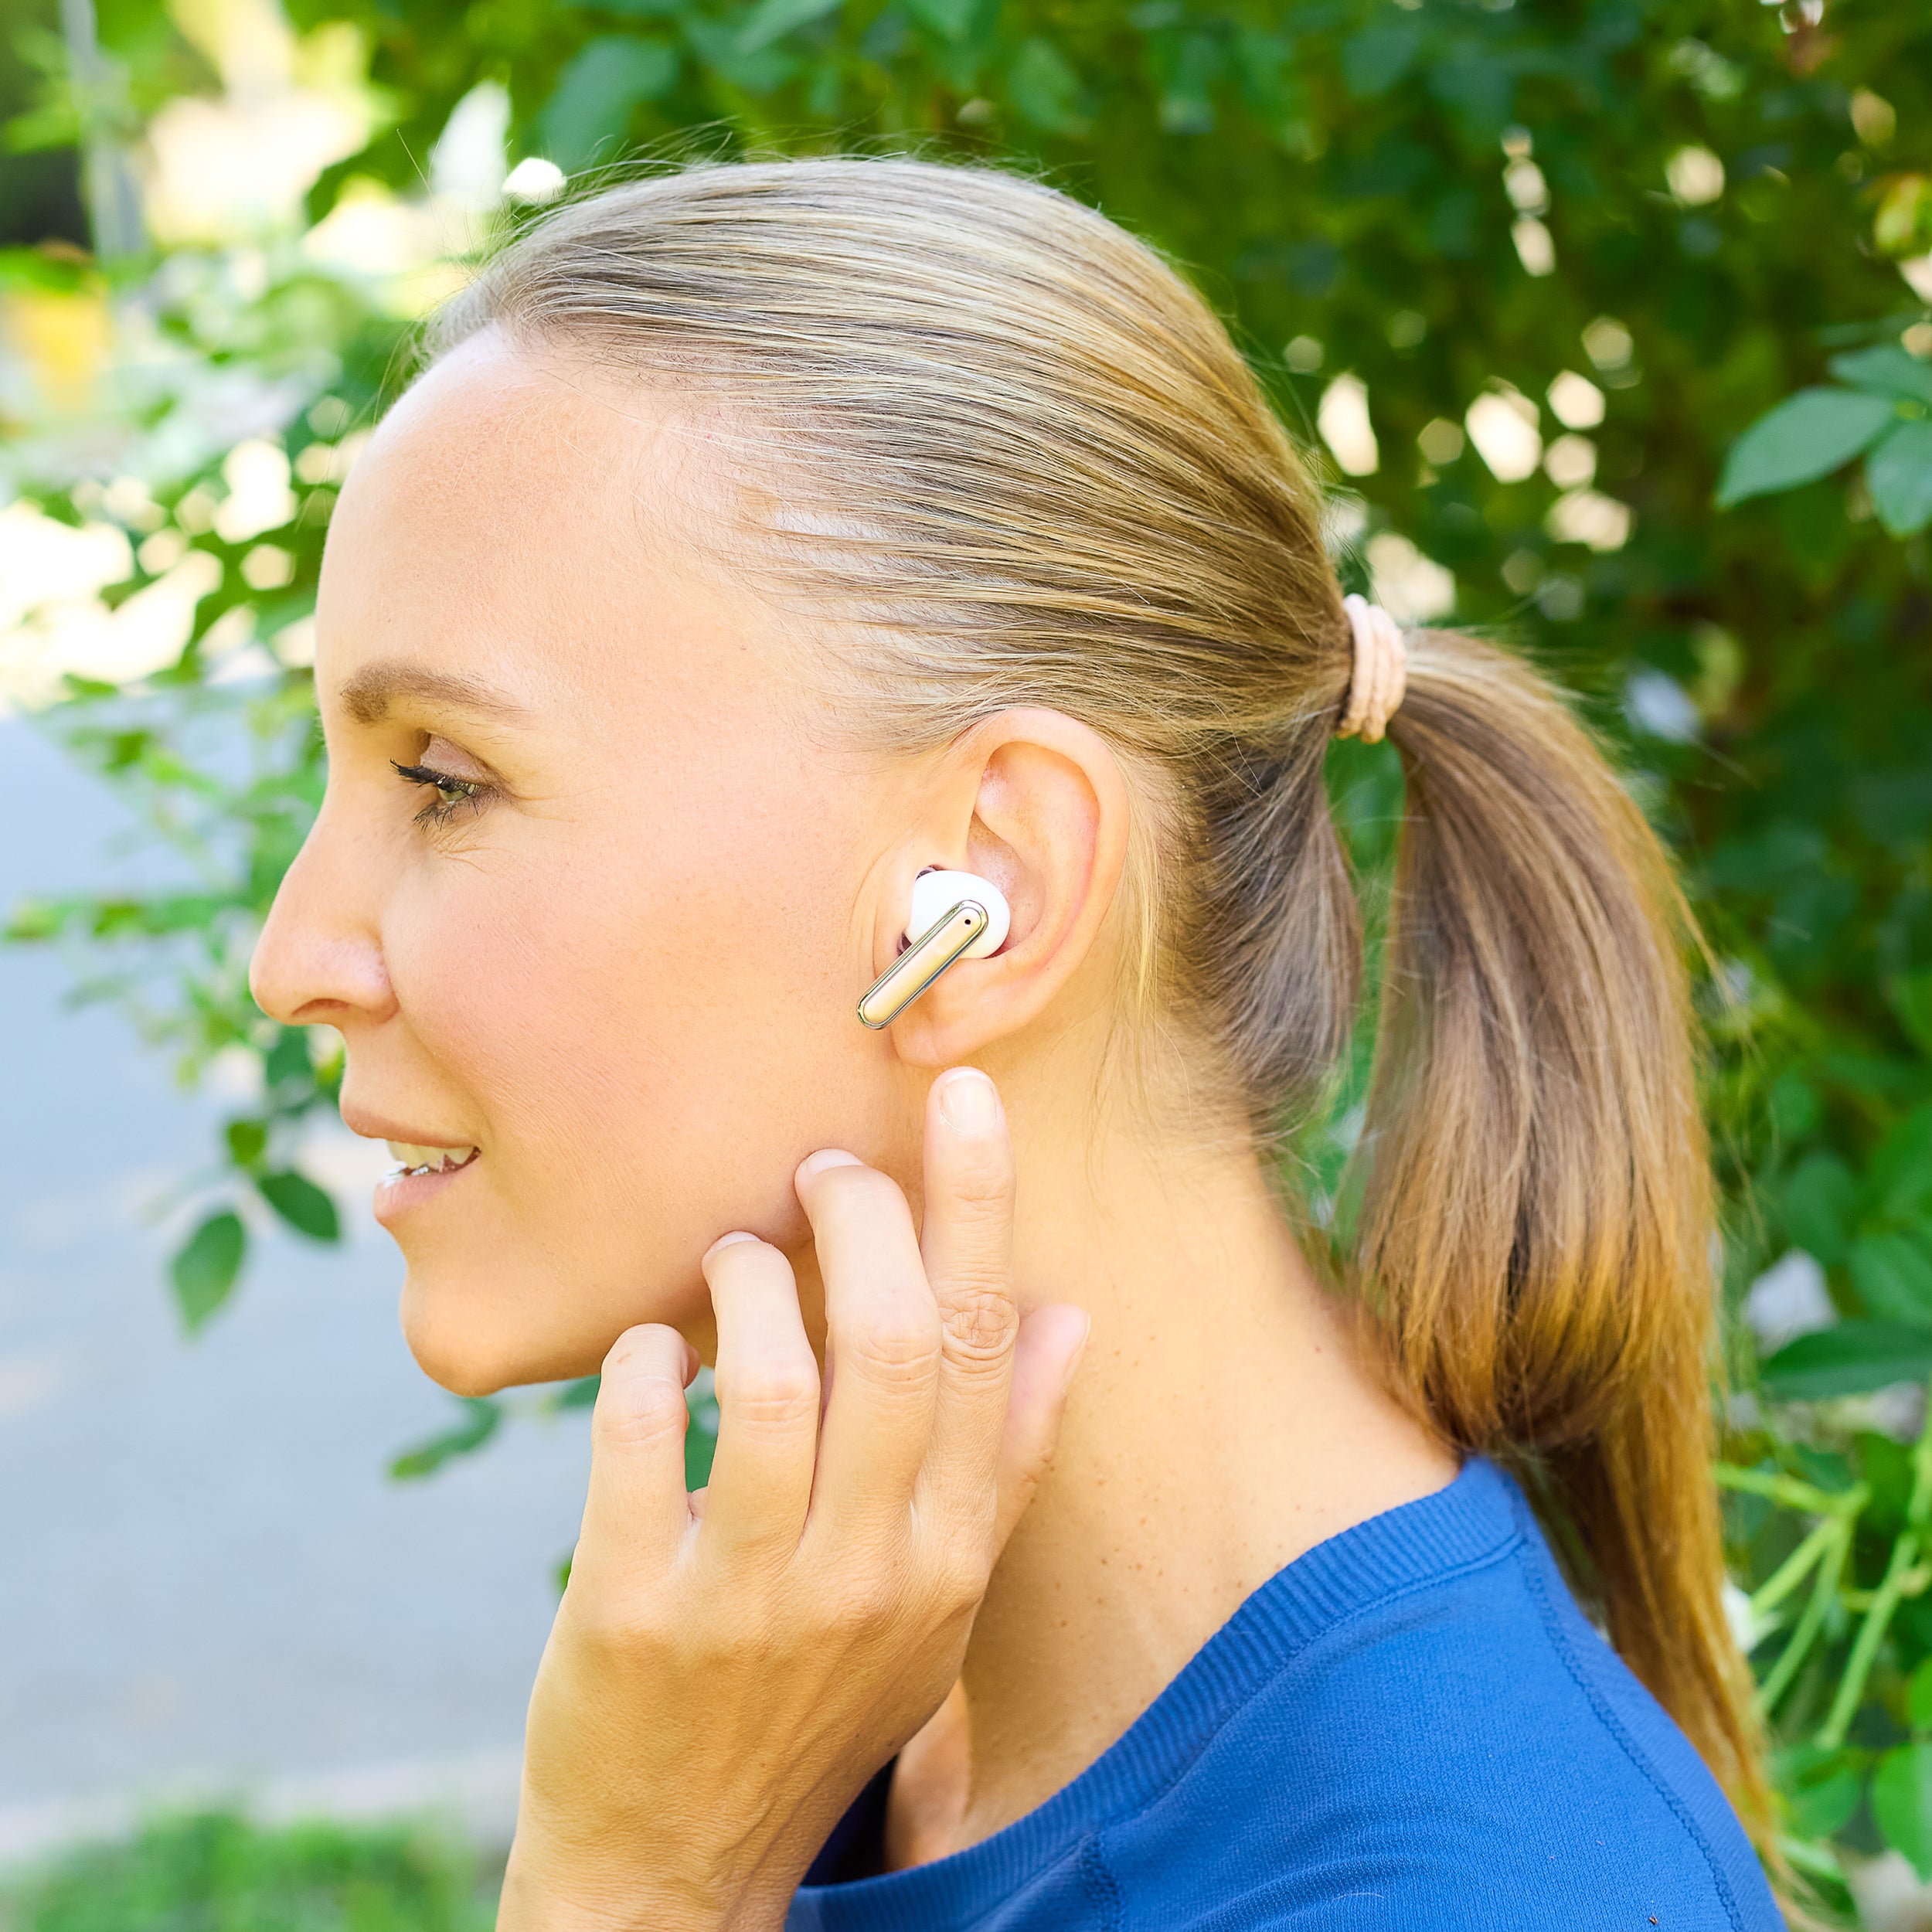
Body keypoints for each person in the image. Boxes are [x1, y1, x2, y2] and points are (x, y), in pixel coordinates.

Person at [247, 155, 1787, 1929]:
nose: (293, 958)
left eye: (445, 780)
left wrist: (633, 1881)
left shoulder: (1468, 1897)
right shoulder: (794, 1699)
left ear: (983, 887)